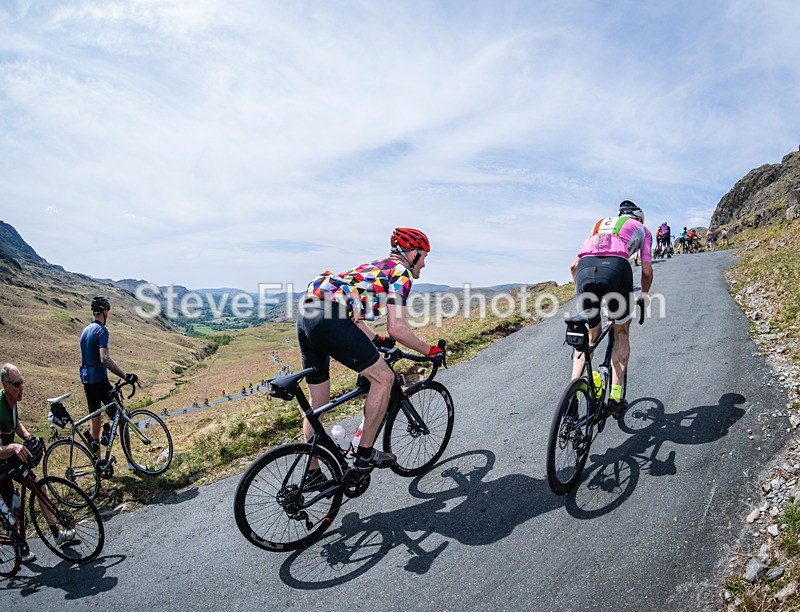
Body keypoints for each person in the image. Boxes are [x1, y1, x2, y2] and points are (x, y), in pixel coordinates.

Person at [297, 227, 442, 470]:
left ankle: (312, 474)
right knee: (384, 378)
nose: (424, 264)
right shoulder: (401, 272)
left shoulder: (375, 267)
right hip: (329, 318)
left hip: (307, 315)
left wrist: (377, 339)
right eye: (425, 256)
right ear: (414, 253)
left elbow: (346, 308)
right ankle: (364, 453)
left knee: (317, 405)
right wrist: (430, 350)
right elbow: (398, 328)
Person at [569, 200, 654, 415]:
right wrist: (643, 295)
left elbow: (573, 265)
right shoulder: (643, 230)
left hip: (585, 271)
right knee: (621, 331)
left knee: (590, 336)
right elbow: (646, 272)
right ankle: (615, 397)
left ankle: (571, 394)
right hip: (616, 269)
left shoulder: (599, 223)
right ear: (640, 218)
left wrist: (583, 292)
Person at [1, 363, 74, 562]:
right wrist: (14, 447)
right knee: (13, 510)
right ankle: (20, 549)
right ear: (6, 385)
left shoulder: (12, 400)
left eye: (22, 382)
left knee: (38, 486)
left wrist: (26, 436)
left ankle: (56, 534)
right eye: (17, 384)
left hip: (11, 458)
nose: (21, 387)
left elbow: (16, 423)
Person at [79, 296, 142, 459]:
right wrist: (126, 376)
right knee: (121, 419)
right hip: (100, 381)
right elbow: (104, 358)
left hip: (87, 383)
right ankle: (131, 463)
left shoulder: (84, 331)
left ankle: (98, 464)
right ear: (105, 311)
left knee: (95, 428)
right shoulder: (102, 330)